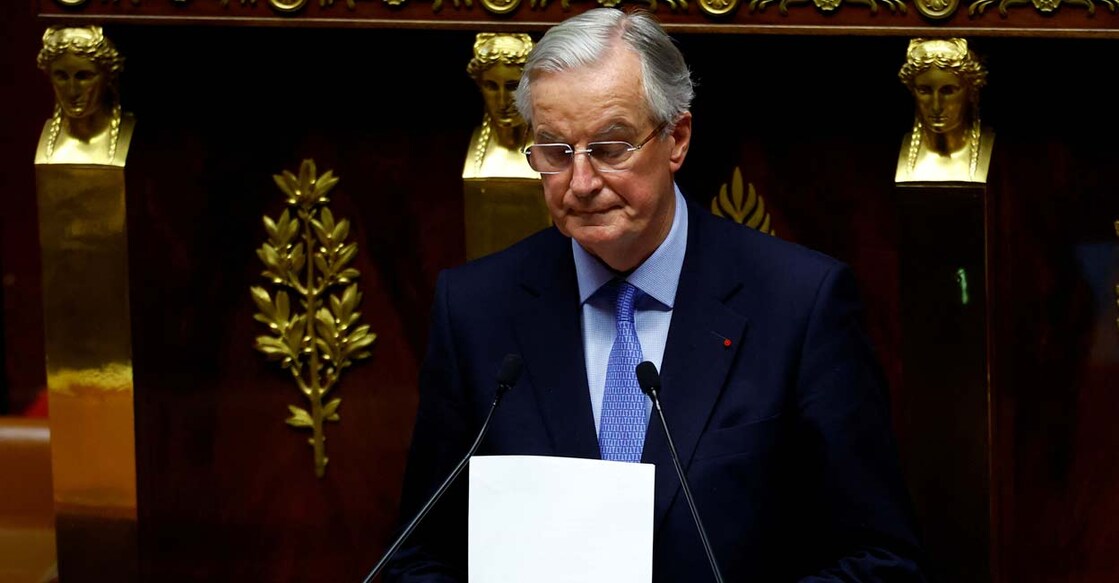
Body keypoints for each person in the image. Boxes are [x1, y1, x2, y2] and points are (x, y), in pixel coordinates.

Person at [386, 8, 925, 581]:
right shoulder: (475, 309)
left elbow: (881, 560)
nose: (582, 183)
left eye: (611, 147)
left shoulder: (801, 303)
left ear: (677, 139)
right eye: (555, 152)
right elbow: (420, 555)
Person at [895, 37, 993, 183]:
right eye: (924, 91)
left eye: (948, 91)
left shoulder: (992, 149)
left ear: (972, 92)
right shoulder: (899, 152)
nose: (936, 106)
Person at [35, 25, 134, 166]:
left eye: (84, 76)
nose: (72, 91)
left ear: (109, 76)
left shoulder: (126, 133)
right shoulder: (48, 142)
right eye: (61, 76)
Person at [462, 32, 537, 179]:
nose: (502, 102)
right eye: (491, 86)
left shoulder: (554, 151)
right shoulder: (477, 150)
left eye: (512, 86)